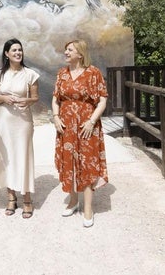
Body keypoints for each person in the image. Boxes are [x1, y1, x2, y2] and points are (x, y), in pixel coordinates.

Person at [52, 39, 108, 227]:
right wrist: (56, 117)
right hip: (66, 125)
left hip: (87, 125)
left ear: (80, 54)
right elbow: (55, 99)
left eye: (70, 50)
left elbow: (102, 101)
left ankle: (88, 208)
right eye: (66, 49)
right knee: (69, 161)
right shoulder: (62, 73)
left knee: (87, 163)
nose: (66, 52)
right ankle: (73, 200)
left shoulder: (93, 73)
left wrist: (92, 121)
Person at [0, 38, 39, 219]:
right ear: (6, 54)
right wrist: (3, 98)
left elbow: (35, 97)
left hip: (23, 121)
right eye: (14, 50)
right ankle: (11, 197)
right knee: (7, 157)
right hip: (4, 121)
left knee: (24, 156)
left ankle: (27, 198)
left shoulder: (30, 74)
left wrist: (27, 100)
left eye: (20, 50)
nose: (18, 53)